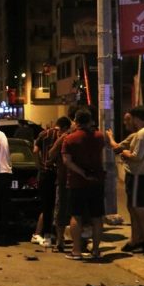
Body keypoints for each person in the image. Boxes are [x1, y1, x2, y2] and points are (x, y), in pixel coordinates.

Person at [62, 108, 105, 260]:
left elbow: (67, 161)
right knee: (97, 217)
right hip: (97, 181)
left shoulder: (70, 139)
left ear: (76, 121)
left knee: (76, 216)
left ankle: (76, 251)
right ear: (90, 121)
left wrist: (82, 173)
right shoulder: (100, 137)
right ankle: (96, 250)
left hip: (77, 182)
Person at [117, 106, 144, 253]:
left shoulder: (142, 134)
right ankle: (136, 239)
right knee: (135, 209)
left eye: (130, 118)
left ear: (135, 118)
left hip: (138, 177)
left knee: (139, 210)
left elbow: (137, 156)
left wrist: (124, 152)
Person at [31, 117, 72, 247]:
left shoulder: (44, 134)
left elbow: (35, 151)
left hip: (45, 174)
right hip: (56, 173)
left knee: (47, 206)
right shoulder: (65, 136)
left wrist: (39, 165)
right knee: (56, 205)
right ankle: (49, 235)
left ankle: (47, 235)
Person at [47, 116, 73, 252]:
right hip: (80, 179)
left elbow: (51, 154)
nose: (55, 132)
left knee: (61, 211)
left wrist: (59, 138)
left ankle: (60, 241)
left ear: (63, 128)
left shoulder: (64, 137)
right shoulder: (80, 135)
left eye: (57, 129)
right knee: (76, 211)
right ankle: (78, 241)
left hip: (64, 179)